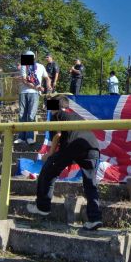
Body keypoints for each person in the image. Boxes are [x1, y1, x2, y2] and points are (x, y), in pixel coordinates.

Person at [26, 95, 103, 230]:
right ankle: (95, 218)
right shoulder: (75, 115)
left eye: (50, 106)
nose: (49, 110)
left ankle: (42, 206)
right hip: (92, 147)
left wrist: (49, 155)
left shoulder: (57, 115)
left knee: (48, 170)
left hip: (73, 146)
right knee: (90, 184)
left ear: (54, 107)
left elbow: (58, 135)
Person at [15, 51, 51, 145]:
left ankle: (30, 137)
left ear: (33, 57)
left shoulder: (40, 66)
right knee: (22, 114)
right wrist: (37, 87)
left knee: (31, 115)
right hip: (23, 92)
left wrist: (48, 85)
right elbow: (24, 80)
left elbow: (47, 78)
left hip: (35, 94)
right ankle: (21, 137)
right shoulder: (24, 66)